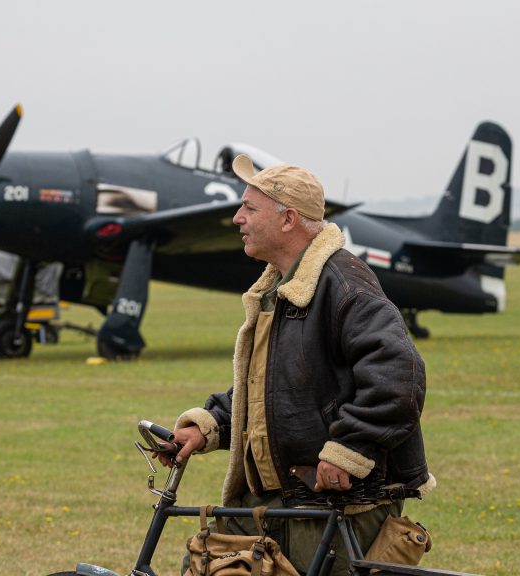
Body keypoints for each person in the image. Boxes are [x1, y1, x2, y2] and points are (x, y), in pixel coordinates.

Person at [166, 154, 434, 576]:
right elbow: (274, 388)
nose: (237, 219)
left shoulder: (344, 283)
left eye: (249, 209)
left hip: (333, 503)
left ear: (288, 219)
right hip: (277, 502)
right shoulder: (280, 287)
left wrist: (349, 451)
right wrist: (207, 425)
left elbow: (400, 375)